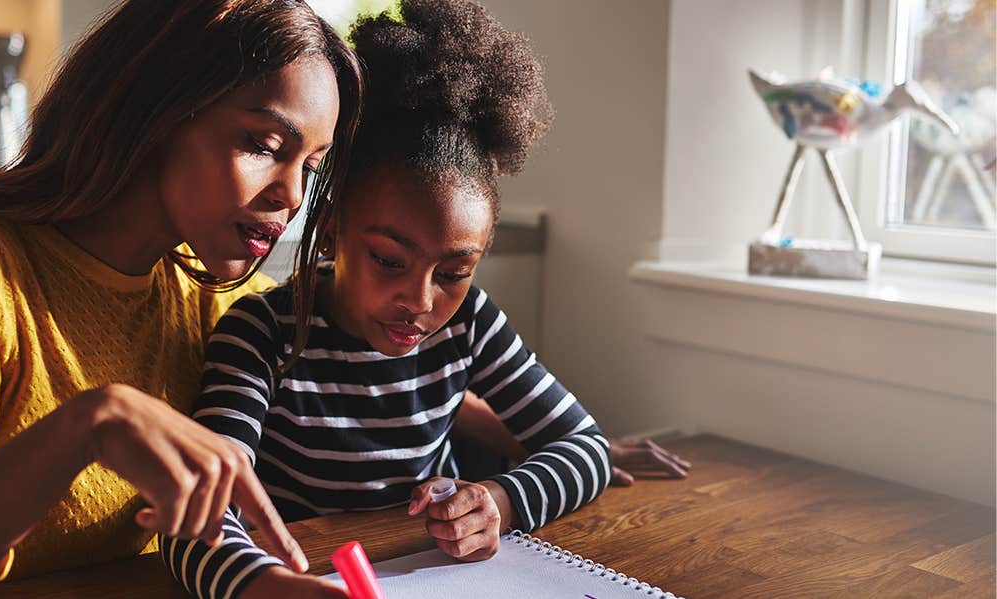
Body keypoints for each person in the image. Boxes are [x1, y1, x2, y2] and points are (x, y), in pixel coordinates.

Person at [0, 1, 362, 597]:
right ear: (156, 111)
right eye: (265, 144)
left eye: (312, 166)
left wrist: (471, 498)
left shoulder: (216, 294)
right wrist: (86, 427)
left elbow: (376, 372)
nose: (291, 195)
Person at [160, 2, 685, 598]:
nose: (420, 300)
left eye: (455, 271)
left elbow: (586, 448)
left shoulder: (471, 326)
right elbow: (198, 517)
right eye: (389, 260)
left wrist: (500, 501)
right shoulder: (260, 332)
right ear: (331, 228)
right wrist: (264, 585)